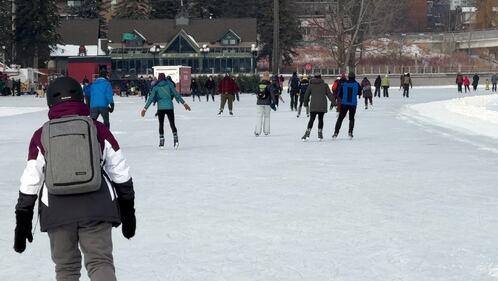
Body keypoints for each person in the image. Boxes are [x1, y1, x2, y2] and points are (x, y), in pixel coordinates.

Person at [13, 77, 136, 281]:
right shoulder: (98, 129)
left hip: (57, 211)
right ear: (80, 98)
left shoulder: (41, 135)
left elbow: (31, 179)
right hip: (97, 207)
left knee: (66, 268)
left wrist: (23, 219)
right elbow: (120, 171)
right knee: (100, 262)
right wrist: (128, 210)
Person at [141, 73, 191, 148]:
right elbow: (176, 94)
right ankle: (176, 139)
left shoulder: (156, 87)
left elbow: (150, 99)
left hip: (160, 108)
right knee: (172, 124)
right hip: (169, 107)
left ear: (158, 79)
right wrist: (184, 103)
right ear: (165, 78)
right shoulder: (169, 85)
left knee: (161, 124)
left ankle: (161, 140)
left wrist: (145, 109)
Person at [301, 72, 335, 141]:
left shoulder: (310, 85)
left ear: (314, 77)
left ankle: (307, 133)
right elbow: (329, 95)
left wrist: (305, 103)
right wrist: (334, 103)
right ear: (320, 77)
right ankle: (320, 134)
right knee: (320, 119)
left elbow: (306, 95)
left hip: (313, 105)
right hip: (322, 105)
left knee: (312, 119)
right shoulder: (325, 85)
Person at [333, 71, 362, 139]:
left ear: (348, 77)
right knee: (351, 118)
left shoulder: (344, 84)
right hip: (353, 104)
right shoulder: (357, 84)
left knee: (340, 118)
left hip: (344, 104)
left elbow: (340, 94)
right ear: (354, 77)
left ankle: (336, 133)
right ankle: (350, 132)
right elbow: (359, 93)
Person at [254, 72, 277, 136]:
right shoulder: (269, 85)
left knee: (259, 117)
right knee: (267, 117)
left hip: (259, 103)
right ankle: (266, 131)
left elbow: (256, 92)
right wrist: (274, 102)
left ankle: (257, 131)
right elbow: (272, 94)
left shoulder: (259, 84)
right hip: (267, 103)